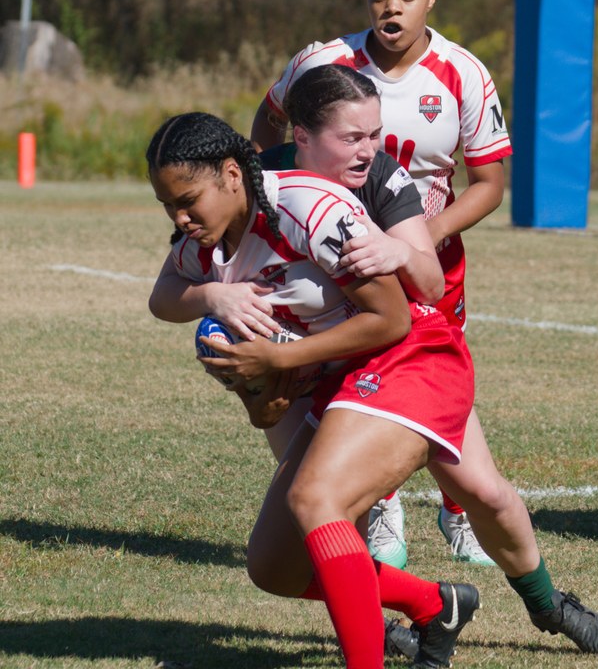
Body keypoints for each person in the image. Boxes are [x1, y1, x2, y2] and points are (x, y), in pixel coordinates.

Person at [243, 65, 598, 661]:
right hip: (318, 365)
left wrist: (397, 249)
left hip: (400, 355)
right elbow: (190, 275)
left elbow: (423, 278)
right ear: (302, 135)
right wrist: (219, 304)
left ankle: (547, 604)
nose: (371, 149)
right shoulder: (263, 181)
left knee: (482, 493)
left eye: (376, 133)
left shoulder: (379, 177)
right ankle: (415, 606)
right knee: (293, 543)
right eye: (353, 137)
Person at [146, 108, 482, 669]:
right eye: (167, 205)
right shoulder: (209, 248)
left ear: (232, 175)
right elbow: (163, 297)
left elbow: (392, 318)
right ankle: (434, 604)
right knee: (274, 566)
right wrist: (218, 310)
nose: (179, 218)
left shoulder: (306, 206)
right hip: (345, 380)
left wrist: (279, 357)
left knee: (316, 501)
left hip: (413, 355)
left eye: (187, 201)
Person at [251, 0, 510, 568]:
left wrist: (422, 237)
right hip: (333, 257)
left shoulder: (463, 72)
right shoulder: (324, 62)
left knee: (435, 381)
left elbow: (491, 184)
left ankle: (457, 512)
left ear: (432, 0)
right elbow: (268, 127)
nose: (390, 9)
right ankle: (380, 505)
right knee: (353, 374)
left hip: (427, 263)